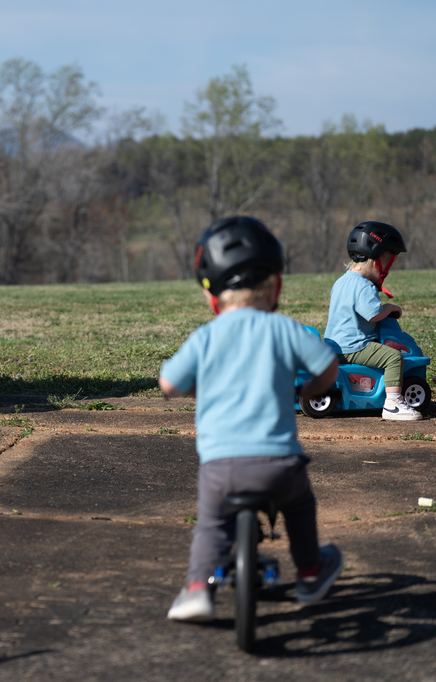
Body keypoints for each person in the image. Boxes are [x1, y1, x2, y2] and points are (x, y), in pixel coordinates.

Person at [160, 216, 343, 623]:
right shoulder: (283, 329)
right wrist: (310, 391)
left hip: (220, 468)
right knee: (299, 507)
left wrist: (200, 390)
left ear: (212, 298)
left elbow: (169, 384)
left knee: (210, 524)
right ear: (276, 287)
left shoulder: (205, 336)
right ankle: (311, 574)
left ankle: (195, 591)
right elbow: (328, 366)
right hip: (279, 465)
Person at [324, 221, 420, 421]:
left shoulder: (342, 281)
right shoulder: (364, 285)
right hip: (355, 346)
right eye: (388, 262)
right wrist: (390, 308)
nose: (388, 269)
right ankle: (393, 404)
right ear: (376, 260)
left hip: (335, 347)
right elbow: (373, 314)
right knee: (393, 357)